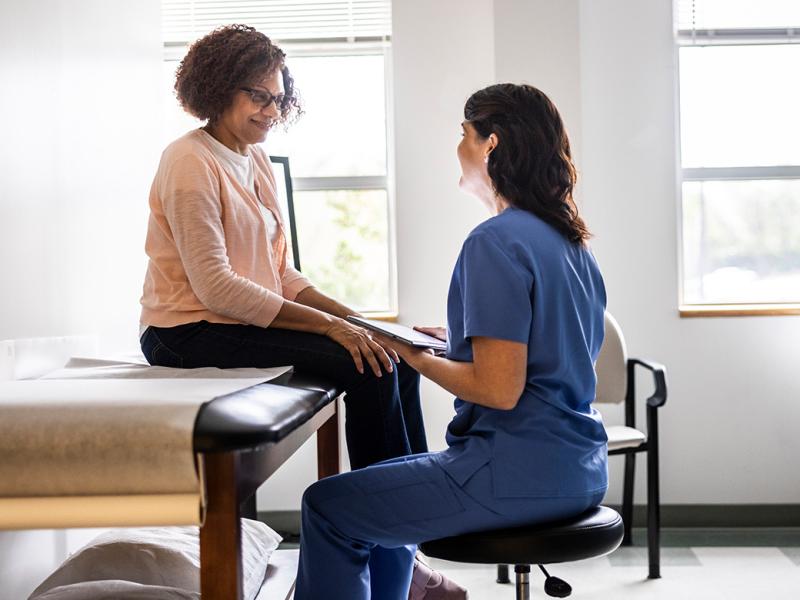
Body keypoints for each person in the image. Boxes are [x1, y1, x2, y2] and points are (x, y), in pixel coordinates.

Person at [293, 83, 609, 600]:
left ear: (491, 145)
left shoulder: (494, 240)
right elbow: (551, 348)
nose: (457, 147)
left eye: (463, 134)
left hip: (514, 472)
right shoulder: (570, 242)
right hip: (578, 469)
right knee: (381, 488)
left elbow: (499, 388)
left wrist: (410, 352)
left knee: (327, 506)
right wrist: (455, 340)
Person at [138, 24, 427, 471]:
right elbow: (216, 287)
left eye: (278, 98)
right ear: (217, 89)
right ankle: (384, 524)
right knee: (370, 367)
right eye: (259, 96)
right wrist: (332, 328)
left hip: (235, 321)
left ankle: (418, 497)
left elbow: (281, 273)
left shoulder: (254, 158)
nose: (272, 110)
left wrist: (355, 320)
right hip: (184, 332)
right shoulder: (189, 161)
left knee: (395, 358)